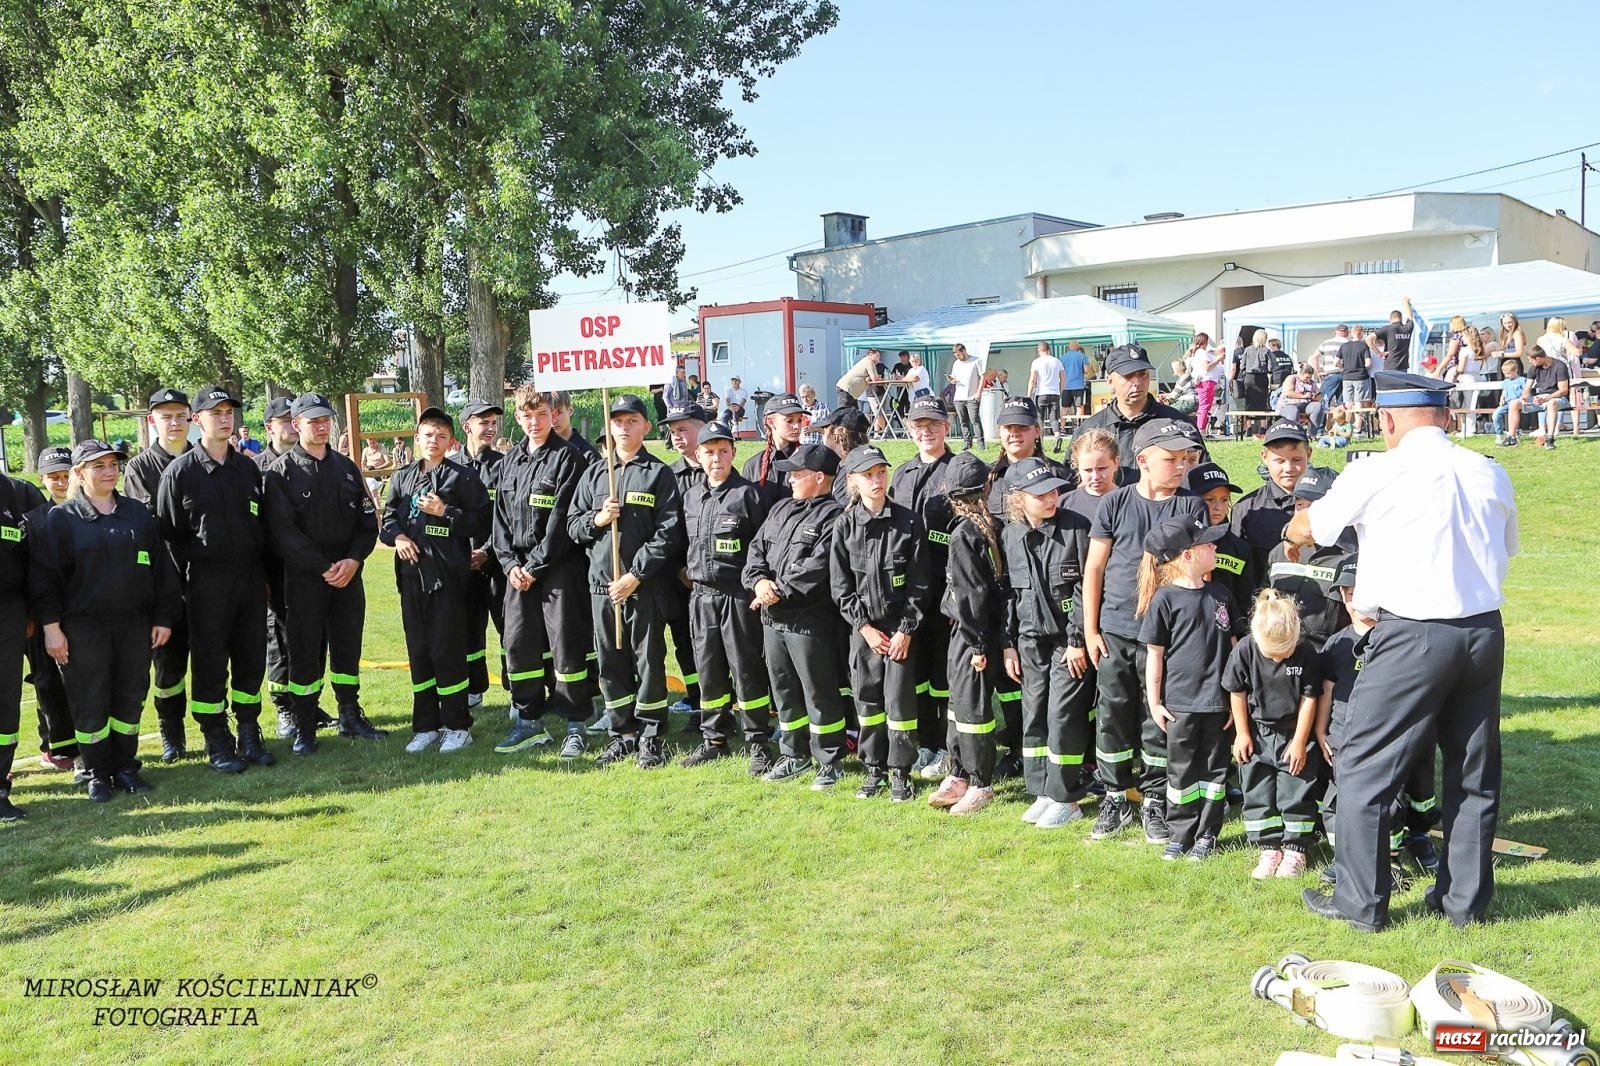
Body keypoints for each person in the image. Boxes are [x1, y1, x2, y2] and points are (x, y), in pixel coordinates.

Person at [1289, 370, 1517, 932]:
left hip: (1412, 631)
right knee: (1472, 771)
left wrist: (1297, 523)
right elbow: (1507, 548)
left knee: (1365, 765)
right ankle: (1464, 905)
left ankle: (1361, 903)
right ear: (1446, 417)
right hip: (1483, 630)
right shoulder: (1491, 470)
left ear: (1387, 420)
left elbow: (1310, 530)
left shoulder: (1376, 470)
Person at [28, 440, 179, 806]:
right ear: (79, 473)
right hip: (84, 629)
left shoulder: (137, 514)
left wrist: (162, 616)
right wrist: (51, 628)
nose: (109, 472)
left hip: (134, 625)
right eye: (98, 466)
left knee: (129, 700)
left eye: (113, 464)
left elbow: (161, 569)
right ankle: (97, 773)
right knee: (90, 702)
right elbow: (44, 579)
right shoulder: (62, 520)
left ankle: (126, 767)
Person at [1082, 418, 1207, 845]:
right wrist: (1090, 629)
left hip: (1167, 636)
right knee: (1113, 714)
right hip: (1115, 628)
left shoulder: (1191, 506)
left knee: (1158, 719)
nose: (1181, 466)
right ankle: (1115, 796)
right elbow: (1094, 568)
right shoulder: (1114, 503)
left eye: (1186, 458)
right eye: (1171, 459)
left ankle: (1154, 799)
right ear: (1142, 461)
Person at [156, 384, 274, 774]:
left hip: (250, 582)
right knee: (209, 664)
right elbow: (169, 540)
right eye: (215, 412)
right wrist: (180, 592)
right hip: (204, 584)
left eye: (229, 413)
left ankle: (248, 732)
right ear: (197, 420)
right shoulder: (179, 473)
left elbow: (264, 528)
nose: (224, 419)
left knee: (250, 658)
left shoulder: (248, 469)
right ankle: (216, 739)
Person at [262, 392, 384, 756]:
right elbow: (283, 532)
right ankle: (304, 726)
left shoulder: (347, 468)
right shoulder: (279, 473)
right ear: (295, 424)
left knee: (347, 650)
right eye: (312, 421)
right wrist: (323, 567)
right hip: (305, 580)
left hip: (348, 577)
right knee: (304, 654)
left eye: (325, 420)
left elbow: (367, 522)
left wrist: (353, 560)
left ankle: (350, 712)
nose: (320, 426)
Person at [566, 394, 684, 769]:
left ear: (645, 426)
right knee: (610, 662)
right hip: (602, 586)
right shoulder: (595, 474)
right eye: (617, 421)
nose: (624, 427)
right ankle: (623, 733)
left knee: (648, 660)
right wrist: (598, 520)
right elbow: (573, 526)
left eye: (632, 420)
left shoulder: (659, 474)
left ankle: (651, 735)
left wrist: (635, 574)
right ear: (609, 426)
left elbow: (668, 533)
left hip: (642, 586)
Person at [1314, 554, 1440, 892]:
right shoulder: (1336, 644)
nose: (1356, 600)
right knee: (1341, 799)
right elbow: (1325, 692)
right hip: (1345, 737)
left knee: (1396, 799)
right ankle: (1345, 858)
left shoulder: (1395, 639)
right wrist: (1321, 731)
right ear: (1341, 596)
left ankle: (1396, 855)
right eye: (1348, 593)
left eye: (1361, 591)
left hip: (1390, 736)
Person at [381, 406, 492, 754]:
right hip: (411, 578)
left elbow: (482, 522)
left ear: (451, 441)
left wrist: (446, 512)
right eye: (428, 435)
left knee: (447, 651)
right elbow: (388, 519)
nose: (433, 441)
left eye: (441, 436)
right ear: (417, 439)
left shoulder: (463, 478)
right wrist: (398, 537)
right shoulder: (402, 477)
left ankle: (457, 725)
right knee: (420, 651)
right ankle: (426, 725)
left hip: (447, 577)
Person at [492, 386, 593, 760]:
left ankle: (575, 723)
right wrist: (509, 564)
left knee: (566, 647)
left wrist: (534, 565)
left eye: (542, 415)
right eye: (527, 416)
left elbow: (562, 520)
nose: (534, 422)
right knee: (517, 645)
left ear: (554, 415)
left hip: (557, 571)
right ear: (517, 417)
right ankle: (528, 721)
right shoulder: (510, 460)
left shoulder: (568, 459)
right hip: (517, 573)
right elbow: (499, 520)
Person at [744, 443, 849, 791]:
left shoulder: (836, 517)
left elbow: (817, 569)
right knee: (784, 689)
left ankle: (829, 759)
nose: (789, 479)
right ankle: (793, 753)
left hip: (808, 622)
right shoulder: (781, 509)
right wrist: (759, 582)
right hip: (772, 619)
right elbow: (756, 550)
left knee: (818, 692)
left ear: (819, 478)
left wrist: (777, 591)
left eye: (797, 473)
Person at [999, 456, 1095, 829]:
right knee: (1034, 714)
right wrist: (1008, 644)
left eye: (1054, 490)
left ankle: (1067, 797)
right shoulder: (1011, 535)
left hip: (1066, 644)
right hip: (1029, 642)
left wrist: (1077, 640)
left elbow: (1086, 588)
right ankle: (1042, 789)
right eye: (1041, 493)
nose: (1052, 498)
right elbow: (1009, 594)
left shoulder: (1076, 529)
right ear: (1019, 498)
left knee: (1063, 717)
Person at [830, 443, 929, 803]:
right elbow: (840, 587)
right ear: (853, 481)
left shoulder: (908, 522)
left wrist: (906, 629)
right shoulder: (844, 526)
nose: (877, 480)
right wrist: (864, 628)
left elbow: (920, 585)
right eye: (868, 475)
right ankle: (874, 768)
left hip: (900, 630)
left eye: (881, 473)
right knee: (868, 702)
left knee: (900, 705)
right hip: (866, 633)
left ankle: (901, 772)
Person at [1136, 515, 1235, 861]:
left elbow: (1235, 649)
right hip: (1180, 705)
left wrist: (1235, 702)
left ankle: (1208, 833)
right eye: (1208, 543)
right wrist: (1155, 701)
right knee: (1181, 772)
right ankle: (1181, 833)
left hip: (1218, 706)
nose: (1215, 547)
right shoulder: (1165, 600)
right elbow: (1155, 656)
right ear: (1188, 555)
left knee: (1215, 772)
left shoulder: (1221, 594)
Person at [677, 422, 772, 773]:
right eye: (709, 452)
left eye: (723, 451)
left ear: (733, 453)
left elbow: (762, 550)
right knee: (709, 671)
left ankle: (759, 742)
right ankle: (714, 738)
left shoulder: (749, 496)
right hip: (701, 598)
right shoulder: (689, 496)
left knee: (746, 670)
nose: (716, 458)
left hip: (737, 597)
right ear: (698, 455)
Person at [925, 451, 1010, 816]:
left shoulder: (963, 533)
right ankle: (958, 772)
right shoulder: (991, 525)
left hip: (971, 635)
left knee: (973, 708)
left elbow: (970, 591)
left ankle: (981, 782)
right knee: (958, 703)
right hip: (974, 630)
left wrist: (976, 643)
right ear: (986, 487)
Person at [891, 396, 967, 784]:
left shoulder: (958, 470)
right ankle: (925, 739)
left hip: (944, 589)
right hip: (908, 591)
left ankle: (946, 745)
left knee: (943, 674)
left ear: (946, 427)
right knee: (917, 671)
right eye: (919, 424)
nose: (926, 431)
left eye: (933, 424)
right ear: (909, 428)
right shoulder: (901, 474)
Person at [1224, 588, 1323, 879]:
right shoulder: (1244, 649)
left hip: (1293, 733)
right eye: (1272, 655)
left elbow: (1310, 698)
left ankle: (1295, 850)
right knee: (1258, 790)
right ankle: (1269, 848)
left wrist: (1300, 741)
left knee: (1297, 787)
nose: (1279, 660)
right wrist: (1242, 734)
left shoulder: (1306, 653)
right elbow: (1237, 692)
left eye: (1285, 653)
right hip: (1258, 732)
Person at [121, 386, 193, 762]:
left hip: (207, 580)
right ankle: (172, 733)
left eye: (181, 415)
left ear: (191, 418)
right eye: (166, 416)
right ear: (153, 421)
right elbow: (148, 527)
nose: (174, 422)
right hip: (165, 585)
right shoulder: (140, 468)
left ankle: (222, 728)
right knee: (168, 669)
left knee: (215, 660)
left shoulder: (203, 460)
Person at [1071, 344, 1206, 486]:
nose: (1137, 382)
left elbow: (1203, 476)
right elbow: (1073, 483)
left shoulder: (1178, 424)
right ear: (1110, 382)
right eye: (1128, 376)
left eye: (1142, 374)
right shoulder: (1091, 430)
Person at [21, 448, 76, 774]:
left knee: (81, 682)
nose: (61, 481)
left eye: (66, 474)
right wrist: (35, 617)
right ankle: (54, 745)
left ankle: (84, 743)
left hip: (81, 612)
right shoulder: (33, 519)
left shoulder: (88, 511)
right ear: (42, 479)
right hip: (43, 616)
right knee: (47, 681)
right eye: (54, 476)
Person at [659, 404, 709, 732]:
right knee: (684, 641)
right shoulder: (668, 476)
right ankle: (695, 699)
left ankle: (719, 702)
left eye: (683, 429)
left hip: (713, 577)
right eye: (673, 431)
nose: (677, 437)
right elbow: (666, 527)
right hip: (678, 576)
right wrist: (680, 568)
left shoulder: (717, 470)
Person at [1264, 470, 1353, 652]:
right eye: (1299, 504)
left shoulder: (1351, 558)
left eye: (1312, 505)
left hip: (1328, 660)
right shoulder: (1278, 554)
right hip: (1280, 657)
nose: (1303, 512)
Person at [257, 397, 303, 739]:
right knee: (278, 643)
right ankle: (284, 707)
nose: (289, 425)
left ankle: (307, 704)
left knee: (309, 643)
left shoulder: (306, 462)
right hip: (273, 572)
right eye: (282, 420)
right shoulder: (256, 468)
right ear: (269, 427)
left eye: (293, 418)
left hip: (306, 572)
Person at [1, 470, 46, 817]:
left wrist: (32, 609)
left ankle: (0, 788)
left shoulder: (19, 493)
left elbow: (39, 557)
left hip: (9, 615)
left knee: (5, 703)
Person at [457, 401, 506, 708]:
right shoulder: (449, 467)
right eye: (483, 422)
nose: (490, 428)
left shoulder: (505, 465)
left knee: (508, 631)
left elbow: (509, 517)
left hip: (498, 563)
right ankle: (474, 689)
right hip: (463, 566)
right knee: (468, 631)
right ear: (467, 427)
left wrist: (486, 551)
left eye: (493, 423)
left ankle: (516, 690)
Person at [1229, 419, 1312, 579]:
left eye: (1296, 460)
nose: (1288, 468)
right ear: (1264, 457)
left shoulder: (1327, 503)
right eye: (1279, 461)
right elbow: (1239, 569)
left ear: (1308, 454)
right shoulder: (1247, 510)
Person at [1187, 463, 1256, 623]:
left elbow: (1246, 597)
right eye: (1209, 499)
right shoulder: (1179, 542)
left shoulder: (1239, 548)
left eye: (1224, 500)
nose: (1218, 507)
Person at [741, 391, 807, 511]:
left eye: (799, 420)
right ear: (771, 422)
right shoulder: (753, 466)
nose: (797, 426)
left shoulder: (809, 460)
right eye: (789, 421)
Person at [1504, 345, 1571, 449]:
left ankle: (1550, 438)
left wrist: (1547, 398)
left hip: (1557, 398)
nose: (1530, 362)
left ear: (1538, 358)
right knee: (1514, 403)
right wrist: (1524, 397)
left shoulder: (1559, 366)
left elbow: (1563, 390)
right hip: (1539, 398)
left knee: (1551, 403)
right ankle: (1511, 437)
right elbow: (1527, 388)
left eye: (1531, 360)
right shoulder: (1534, 368)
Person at [946, 343, 985, 450]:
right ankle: (967, 442)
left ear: (964, 351)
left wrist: (978, 393)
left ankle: (981, 443)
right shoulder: (956, 363)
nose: (958, 357)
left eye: (959, 355)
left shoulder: (976, 361)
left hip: (972, 396)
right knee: (963, 421)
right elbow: (954, 379)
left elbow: (982, 377)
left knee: (975, 420)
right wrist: (951, 380)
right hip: (959, 396)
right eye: (956, 356)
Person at [1027, 342, 1067, 440]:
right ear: (1049, 349)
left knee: (1040, 418)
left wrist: (1029, 395)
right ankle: (1057, 435)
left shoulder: (1036, 362)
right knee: (1054, 418)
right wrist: (1060, 390)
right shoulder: (1057, 361)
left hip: (1041, 393)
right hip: (1054, 393)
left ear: (1038, 350)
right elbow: (1063, 378)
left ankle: (1040, 440)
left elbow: (1032, 380)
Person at [550, 391, 601, 468]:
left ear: (570, 411)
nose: (554, 420)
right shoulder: (538, 451)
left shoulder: (589, 457)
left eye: (559, 412)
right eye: (549, 413)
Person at [1236, 329, 1274, 428]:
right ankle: (1262, 427)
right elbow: (1270, 368)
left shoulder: (1247, 349)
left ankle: (1248, 428)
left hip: (1249, 378)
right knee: (1262, 402)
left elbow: (1241, 366)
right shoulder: (1267, 351)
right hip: (1262, 378)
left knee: (1249, 402)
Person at [1186, 334, 1222, 434]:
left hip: (1203, 382)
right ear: (1205, 341)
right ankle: (1201, 429)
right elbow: (1207, 368)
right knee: (1205, 405)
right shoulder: (1202, 353)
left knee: (1205, 405)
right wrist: (1218, 359)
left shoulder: (1198, 353)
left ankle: (1202, 428)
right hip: (1206, 381)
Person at [1490, 357, 1530, 443]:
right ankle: (1500, 433)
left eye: (1508, 373)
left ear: (1515, 370)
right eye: (1504, 373)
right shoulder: (1506, 381)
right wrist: (1502, 398)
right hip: (1507, 403)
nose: (1506, 376)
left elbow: (1525, 391)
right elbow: (1504, 391)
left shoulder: (1522, 380)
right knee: (1495, 415)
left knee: (1514, 411)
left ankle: (1514, 433)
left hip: (1517, 402)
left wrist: (1523, 399)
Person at [1338, 324, 1374, 414]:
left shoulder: (1344, 346)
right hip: (1360, 377)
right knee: (1359, 402)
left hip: (1346, 377)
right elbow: (1368, 363)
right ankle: (1358, 427)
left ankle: (1347, 424)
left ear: (1351, 333)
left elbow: (1336, 362)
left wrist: (1343, 367)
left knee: (1348, 403)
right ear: (1361, 333)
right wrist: (1360, 367)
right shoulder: (1363, 346)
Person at [1276, 362, 1323, 429]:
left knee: (1317, 407)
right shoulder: (1292, 378)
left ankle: (1312, 434)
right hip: (1289, 404)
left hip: (1306, 404)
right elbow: (1288, 393)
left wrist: (1315, 397)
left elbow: (1318, 393)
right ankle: (1293, 433)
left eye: (1310, 377)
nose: (1308, 380)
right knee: (1294, 412)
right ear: (1301, 374)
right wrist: (1303, 396)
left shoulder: (1311, 382)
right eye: (1306, 377)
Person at [1374, 299, 1415, 373]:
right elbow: (1410, 317)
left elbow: (1368, 339)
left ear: (1390, 318)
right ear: (1401, 318)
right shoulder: (1407, 328)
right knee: (1401, 384)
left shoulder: (1387, 329)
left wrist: (1379, 353)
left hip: (1390, 366)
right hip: (1403, 367)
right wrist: (1406, 302)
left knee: (1389, 384)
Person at [1061, 340, 1093, 418]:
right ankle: (1078, 426)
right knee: (1079, 407)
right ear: (1077, 347)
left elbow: (1060, 372)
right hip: (1078, 385)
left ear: (1069, 347)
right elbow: (1087, 370)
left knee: (1065, 408)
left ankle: (1062, 427)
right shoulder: (1082, 356)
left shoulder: (1062, 357)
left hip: (1066, 386)